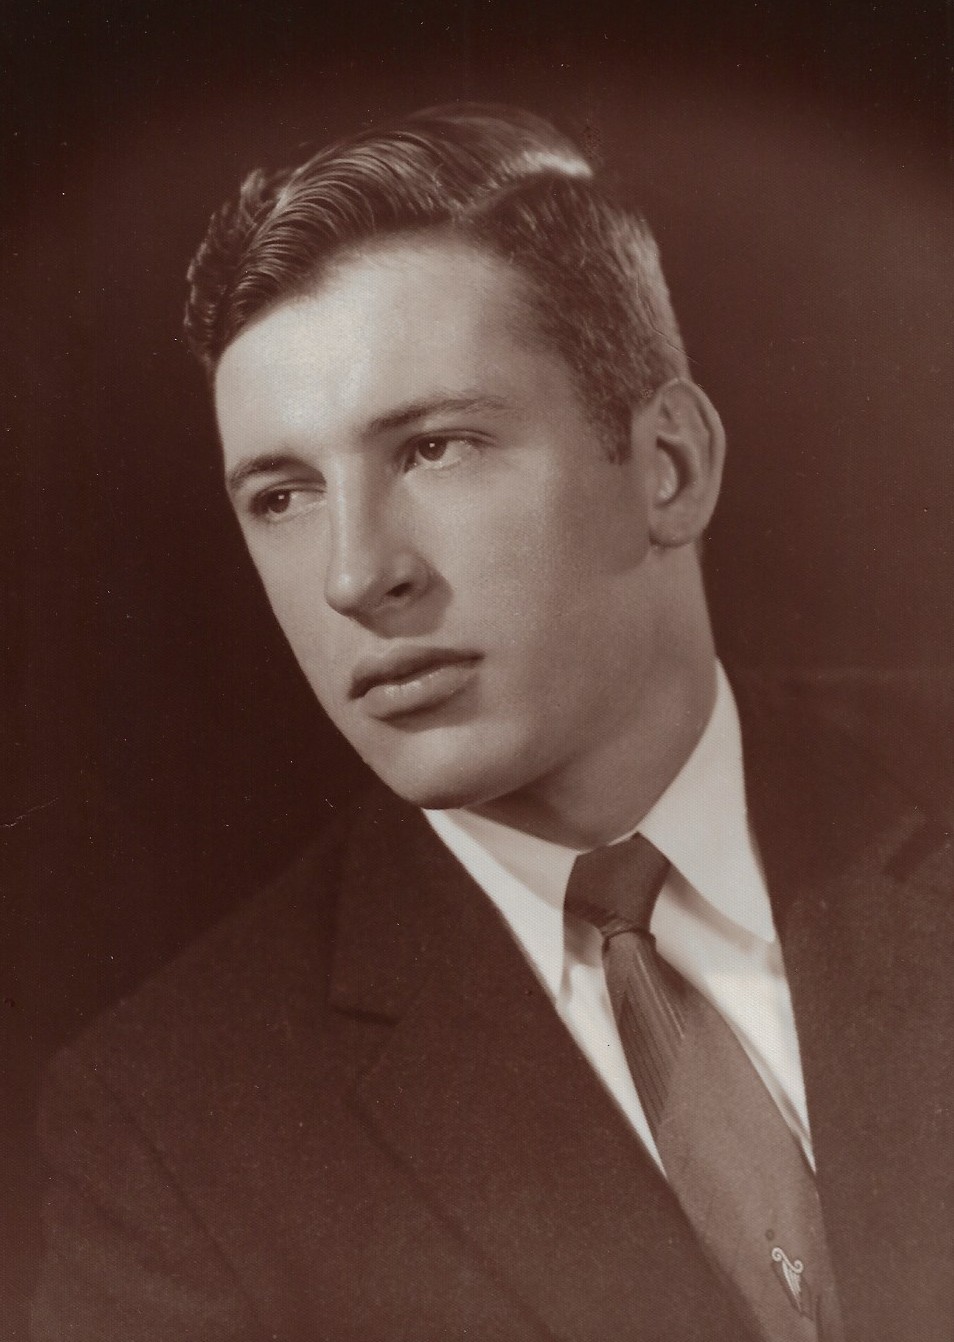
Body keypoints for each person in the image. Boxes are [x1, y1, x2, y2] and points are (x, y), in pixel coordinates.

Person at [32, 104, 953, 1342]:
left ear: (670, 465)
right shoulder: (167, 1132)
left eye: (435, 447)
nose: (355, 575)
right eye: (284, 494)